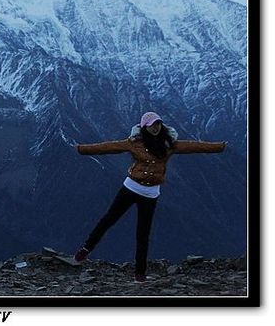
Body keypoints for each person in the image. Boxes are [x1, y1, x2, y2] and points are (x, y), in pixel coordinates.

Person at [71, 111, 226, 282]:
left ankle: (140, 274)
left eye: (158, 124)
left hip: (151, 194)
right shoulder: (134, 143)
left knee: (143, 234)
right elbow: (108, 147)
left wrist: (219, 147)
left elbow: (194, 147)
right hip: (130, 188)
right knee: (109, 219)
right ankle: (86, 249)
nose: (156, 127)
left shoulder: (169, 144)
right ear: (144, 126)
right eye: (152, 124)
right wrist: (81, 149)